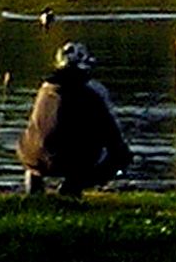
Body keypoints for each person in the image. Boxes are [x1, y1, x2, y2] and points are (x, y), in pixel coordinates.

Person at [18, 40, 130, 194]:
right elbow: (111, 132)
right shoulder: (93, 91)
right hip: (70, 160)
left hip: (31, 156)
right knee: (120, 155)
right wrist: (122, 156)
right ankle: (73, 187)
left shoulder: (44, 89)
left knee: (40, 144)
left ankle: (34, 188)